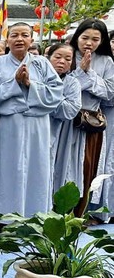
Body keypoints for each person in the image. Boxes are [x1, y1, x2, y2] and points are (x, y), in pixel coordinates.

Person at [0, 23, 64, 220]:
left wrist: (30, 85)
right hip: (8, 125)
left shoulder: (42, 63)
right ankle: (5, 218)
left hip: (37, 126)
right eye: (14, 35)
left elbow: (56, 93)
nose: (19, 39)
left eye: (24, 35)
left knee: (37, 169)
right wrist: (14, 84)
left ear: (31, 40)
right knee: (7, 169)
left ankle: (34, 216)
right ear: (7, 40)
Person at [69, 20, 114, 216]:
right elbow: (61, 85)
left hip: (91, 122)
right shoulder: (67, 55)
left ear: (102, 41)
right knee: (64, 165)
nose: (89, 43)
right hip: (66, 119)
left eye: (95, 39)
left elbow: (110, 92)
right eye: (85, 37)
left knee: (88, 166)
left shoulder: (106, 61)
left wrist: (89, 74)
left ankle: (81, 213)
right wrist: (81, 73)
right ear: (77, 37)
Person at [46, 43, 83, 196]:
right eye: (57, 57)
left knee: (57, 168)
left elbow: (70, 110)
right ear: (48, 58)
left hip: (61, 132)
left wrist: (47, 97)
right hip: (35, 129)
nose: (62, 61)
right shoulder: (36, 78)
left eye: (68, 59)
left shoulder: (73, 83)